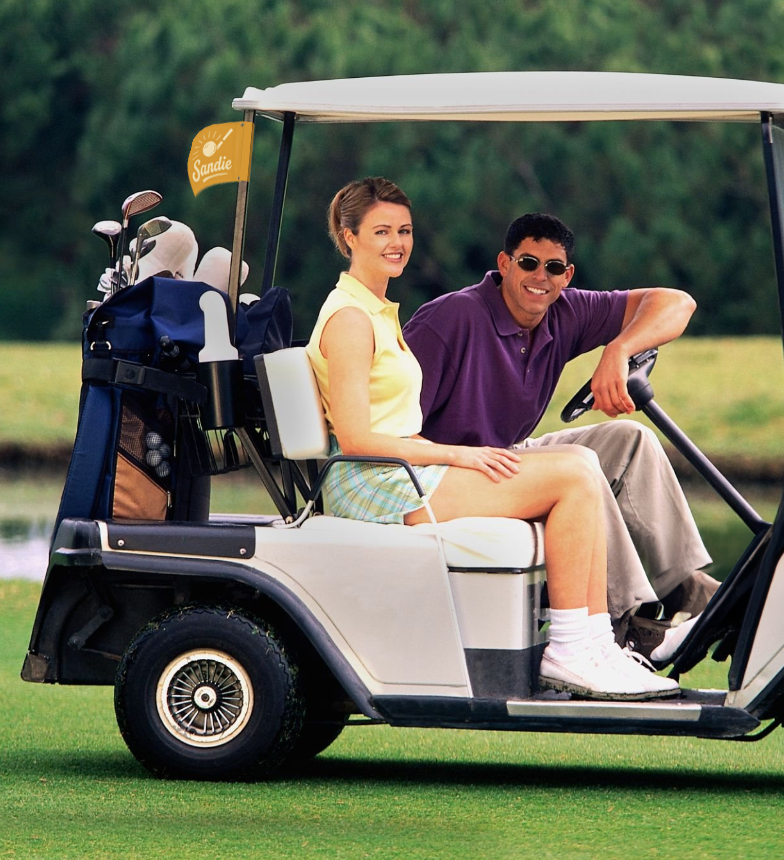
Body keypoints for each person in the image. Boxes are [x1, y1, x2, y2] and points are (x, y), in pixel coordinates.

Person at [306, 178, 678, 701]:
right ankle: (571, 648)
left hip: (402, 471)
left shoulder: (376, 311)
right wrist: (458, 454)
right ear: (349, 238)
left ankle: (596, 646)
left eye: (405, 230)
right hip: (372, 482)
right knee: (572, 471)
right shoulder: (349, 318)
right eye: (382, 231)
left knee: (581, 464)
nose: (398, 242)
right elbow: (357, 438)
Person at [402, 213, 719, 653]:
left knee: (630, 439)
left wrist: (620, 348)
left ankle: (692, 594)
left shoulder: (566, 311)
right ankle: (626, 622)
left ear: (566, 276)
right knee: (578, 466)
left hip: (505, 456)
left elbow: (677, 303)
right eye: (528, 262)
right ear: (505, 263)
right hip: (449, 472)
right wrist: (459, 457)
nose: (540, 277)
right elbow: (396, 431)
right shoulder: (449, 319)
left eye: (553, 268)